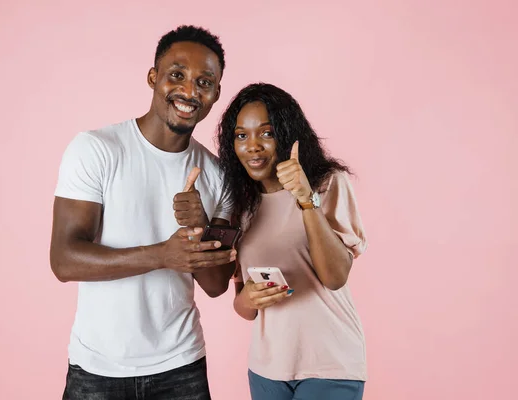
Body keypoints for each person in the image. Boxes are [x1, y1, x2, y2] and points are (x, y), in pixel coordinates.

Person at [50, 25, 237, 400]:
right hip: (96, 368)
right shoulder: (96, 149)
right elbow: (64, 260)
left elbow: (217, 285)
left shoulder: (218, 175)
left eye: (204, 82)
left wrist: (200, 226)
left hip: (180, 366)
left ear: (216, 93)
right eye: (177, 75)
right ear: (153, 77)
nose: (188, 91)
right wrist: (162, 256)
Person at [216, 83, 368, 400]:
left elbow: (335, 276)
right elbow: (242, 305)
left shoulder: (327, 184)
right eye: (241, 135)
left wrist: (305, 199)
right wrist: (251, 299)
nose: (252, 146)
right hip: (267, 368)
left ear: (286, 134)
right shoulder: (242, 205)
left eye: (266, 133)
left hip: (329, 365)